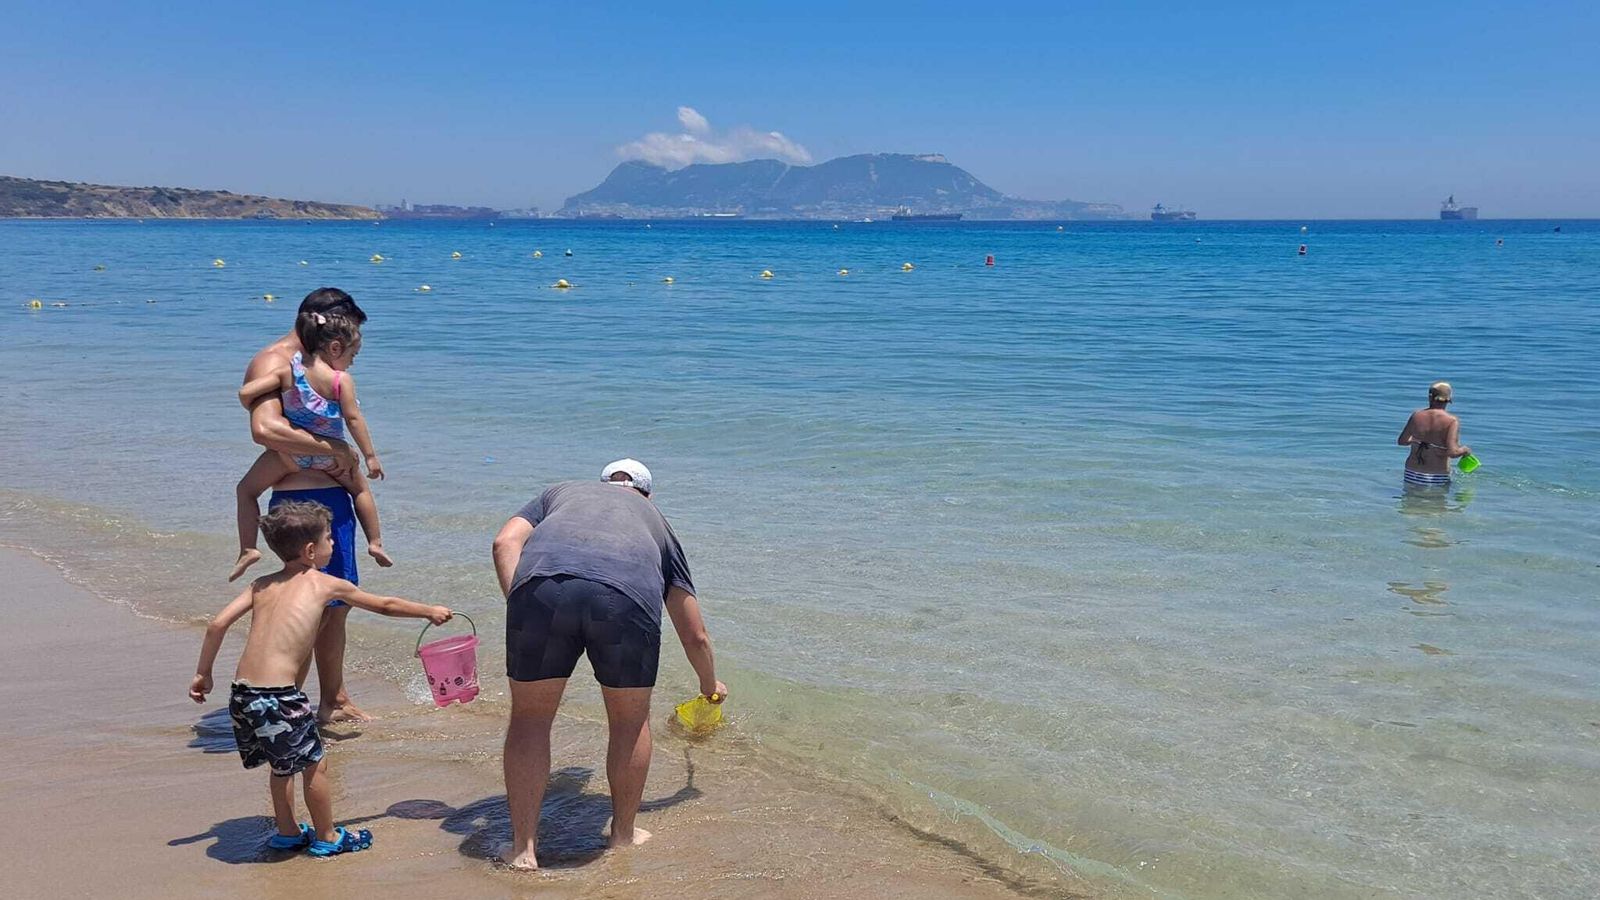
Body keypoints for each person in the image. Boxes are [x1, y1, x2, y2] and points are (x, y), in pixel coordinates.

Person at [490, 459, 726, 870]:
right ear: (646, 494)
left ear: (601, 483)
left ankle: (522, 849)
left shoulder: (559, 492)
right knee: (629, 722)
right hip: (624, 598)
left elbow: (504, 543)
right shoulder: (657, 521)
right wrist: (710, 685)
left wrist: (523, 604)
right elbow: (695, 634)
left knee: (529, 719)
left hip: (539, 590)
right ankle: (622, 835)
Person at [188, 501, 452, 857]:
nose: (334, 545)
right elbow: (385, 605)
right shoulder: (326, 585)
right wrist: (428, 611)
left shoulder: (261, 584)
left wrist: (203, 674)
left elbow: (217, 624)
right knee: (315, 765)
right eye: (330, 538)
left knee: (281, 765)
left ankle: (287, 832)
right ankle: (327, 837)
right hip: (281, 696)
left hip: (244, 694)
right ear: (311, 550)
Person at [235, 288, 371, 723]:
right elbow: (264, 429)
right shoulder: (274, 361)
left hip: (332, 492)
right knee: (302, 608)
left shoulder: (322, 368)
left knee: (336, 605)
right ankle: (287, 702)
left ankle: (334, 698)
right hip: (299, 497)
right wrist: (334, 449)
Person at [234, 311, 391, 580]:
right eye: (352, 356)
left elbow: (245, 394)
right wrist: (370, 457)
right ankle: (375, 543)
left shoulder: (288, 371)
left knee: (246, 490)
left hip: (290, 454)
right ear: (334, 348)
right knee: (361, 491)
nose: (351, 364)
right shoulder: (341, 381)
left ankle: (248, 549)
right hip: (332, 455)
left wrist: (258, 400)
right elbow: (353, 419)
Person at [1397, 381, 1472, 487]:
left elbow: (1402, 441)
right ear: (1449, 399)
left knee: (1410, 503)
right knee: (1436, 504)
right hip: (1436, 475)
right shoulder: (1451, 421)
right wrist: (1465, 450)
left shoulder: (1416, 415)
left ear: (1429, 397)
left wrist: (1418, 441)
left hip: (1411, 472)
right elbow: (1453, 452)